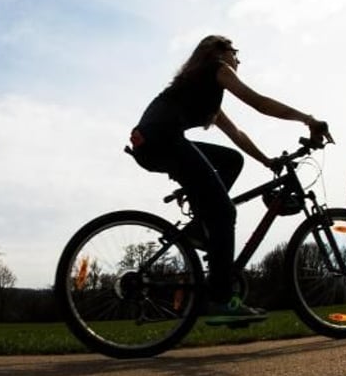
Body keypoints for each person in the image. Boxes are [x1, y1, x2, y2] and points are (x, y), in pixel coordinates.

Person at [128, 35, 332, 323]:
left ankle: (200, 227)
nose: (239, 60)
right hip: (163, 141)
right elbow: (259, 103)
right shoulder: (218, 68)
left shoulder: (203, 89)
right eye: (236, 52)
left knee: (230, 160)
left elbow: (237, 135)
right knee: (224, 212)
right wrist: (307, 119)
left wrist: (267, 161)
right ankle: (221, 300)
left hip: (153, 144)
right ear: (220, 52)